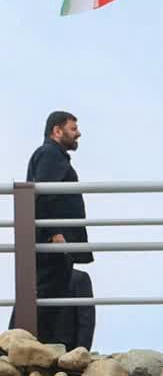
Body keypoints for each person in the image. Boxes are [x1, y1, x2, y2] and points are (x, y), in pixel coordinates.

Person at [18, 112, 93, 348]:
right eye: (73, 129)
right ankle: (14, 347)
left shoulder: (53, 155)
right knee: (44, 295)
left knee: (48, 297)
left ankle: (28, 347)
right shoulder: (50, 154)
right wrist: (53, 232)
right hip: (54, 241)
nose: (78, 133)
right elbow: (44, 194)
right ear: (57, 131)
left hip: (56, 239)